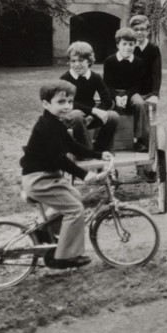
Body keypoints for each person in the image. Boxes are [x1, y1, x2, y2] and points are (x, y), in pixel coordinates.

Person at [20, 81, 112, 269]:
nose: (67, 106)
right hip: (39, 179)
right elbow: (60, 159)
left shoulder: (56, 124)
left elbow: (72, 146)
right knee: (75, 210)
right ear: (46, 104)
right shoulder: (47, 126)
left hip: (46, 176)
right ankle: (65, 256)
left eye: (70, 101)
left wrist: (98, 153)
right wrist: (84, 175)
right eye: (61, 102)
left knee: (76, 197)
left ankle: (44, 230)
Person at [60, 41, 119, 151]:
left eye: (81, 60)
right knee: (76, 115)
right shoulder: (65, 78)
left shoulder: (95, 77)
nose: (77, 64)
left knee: (113, 116)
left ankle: (101, 148)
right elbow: (68, 102)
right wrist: (93, 111)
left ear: (89, 61)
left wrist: (93, 115)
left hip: (89, 117)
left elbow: (107, 100)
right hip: (70, 119)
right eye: (73, 61)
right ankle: (86, 150)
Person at [103, 27, 148, 152]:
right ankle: (106, 140)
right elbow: (107, 84)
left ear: (135, 45)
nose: (127, 47)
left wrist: (126, 96)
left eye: (131, 44)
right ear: (118, 45)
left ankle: (139, 140)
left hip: (131, 93)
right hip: (113, 93)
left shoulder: (138, 62)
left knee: (140, 103)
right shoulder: (110, 61)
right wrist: (116, 97)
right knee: (106, 106)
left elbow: (136, 84)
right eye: (124, 44)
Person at [129, 14, 162, 105]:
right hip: (131, 92)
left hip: (149, 93)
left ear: (148, 31)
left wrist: (155, 94)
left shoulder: (153, 49)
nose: (139, 32)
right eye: (136, 29)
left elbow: (156, 73)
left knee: (148, 117)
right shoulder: (129, 48)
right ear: (131, 31)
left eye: (142, 29)